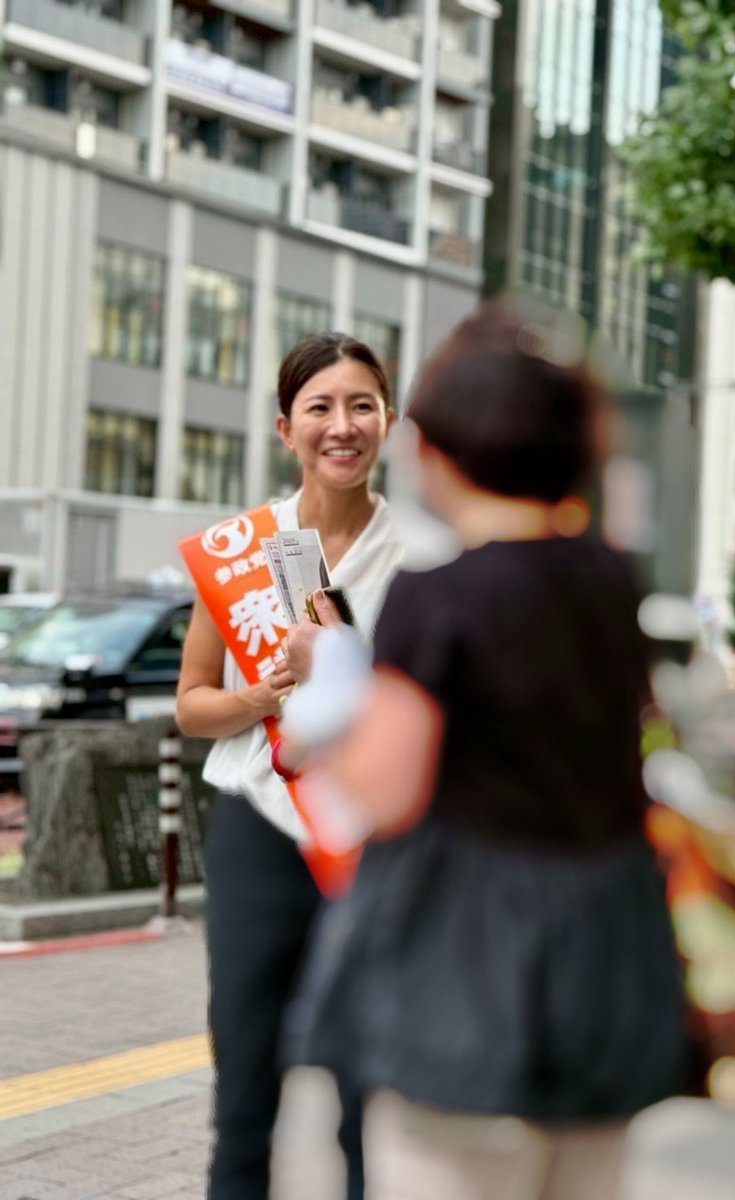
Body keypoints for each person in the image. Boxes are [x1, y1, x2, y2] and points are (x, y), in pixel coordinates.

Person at [279, 308, 691, 1200]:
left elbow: (387, 793)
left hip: (468, 966)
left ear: (436, 448)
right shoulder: (613, 579)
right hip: (606, 958)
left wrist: (331, 703)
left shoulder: (443, 595)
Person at [176, 332, 405, 1200]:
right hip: (257, 828)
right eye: (320, 408)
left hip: (370, 836)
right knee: (244, 1070)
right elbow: (193, 701)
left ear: (390, 419)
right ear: (285, 428)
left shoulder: (415, 555)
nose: (341, 427)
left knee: (364, 1081)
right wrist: (266, 697)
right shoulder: (240, 550)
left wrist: (350, 676)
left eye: (361, 405)